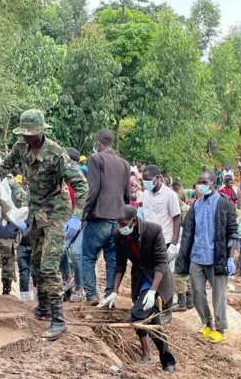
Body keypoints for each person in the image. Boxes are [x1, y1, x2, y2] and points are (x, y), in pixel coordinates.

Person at [0, 109, 88, 340]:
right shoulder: (20, 147)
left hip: (57, 212)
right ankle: (45, 306)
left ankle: (58, 320)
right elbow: (5, 166)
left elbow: (81, 185)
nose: (28, 137)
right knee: (37, 263)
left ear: (41, 131)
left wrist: (76, 216)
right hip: (35, 213)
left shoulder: (56, 153)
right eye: (25, 134)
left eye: (32, 134)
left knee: (49, 265)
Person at [98, 205, 177, 372]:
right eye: (118, 224)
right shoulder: (118, 235)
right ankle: (166, 361)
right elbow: (120, 265)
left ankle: (148, 355)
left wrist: (152, 290)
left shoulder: (153, 230)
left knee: (138, 314)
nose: (120, 228)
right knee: (151, 319)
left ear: (133, 221)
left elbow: (161, 262)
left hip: (157, 278)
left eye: (123, 224)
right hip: (139, 278)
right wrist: (114, 291)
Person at [175, 170, 237, 344]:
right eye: (199, 181)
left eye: (204, 181)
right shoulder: (196, 205)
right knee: (196, 292)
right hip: (197, 255)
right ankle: (207, 322)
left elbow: (233, 233)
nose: (201, 184)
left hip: (216, 256)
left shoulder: (225, 204)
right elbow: (188, 232)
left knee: (218, 295)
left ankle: (221, 328)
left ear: (213, 183)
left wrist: (230, 258)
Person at [82, 129, 131, 305]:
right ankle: (110, 294)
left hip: (99, 217)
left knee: (87, 256)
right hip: (117, 219)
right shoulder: (124, 164)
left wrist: (83, 213)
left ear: (98, 142)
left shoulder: (95, 159)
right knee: (112, 258)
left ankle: (91, 295)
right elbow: (127, 195)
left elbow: (93, 189)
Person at [141, 164, 181, 316]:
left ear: (158, 178)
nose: (146, 182)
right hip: (148, 240)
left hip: (165, 240)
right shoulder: (145, 194)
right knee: (151, 274)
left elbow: (177, 219)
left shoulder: (170, 195)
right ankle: (153, 308)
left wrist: (174, 244)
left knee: (165, 276)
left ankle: (167, 311)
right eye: (144, 180)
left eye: (148, 179)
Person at [60, 147, 85, 302]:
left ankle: (80, 287)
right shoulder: (61, 178)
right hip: (64, 220)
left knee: (76, 254)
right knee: (60, 250)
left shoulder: (83, 179)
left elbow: (86, 200)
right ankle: (68, 277)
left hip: (81, 221)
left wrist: (79, 218)